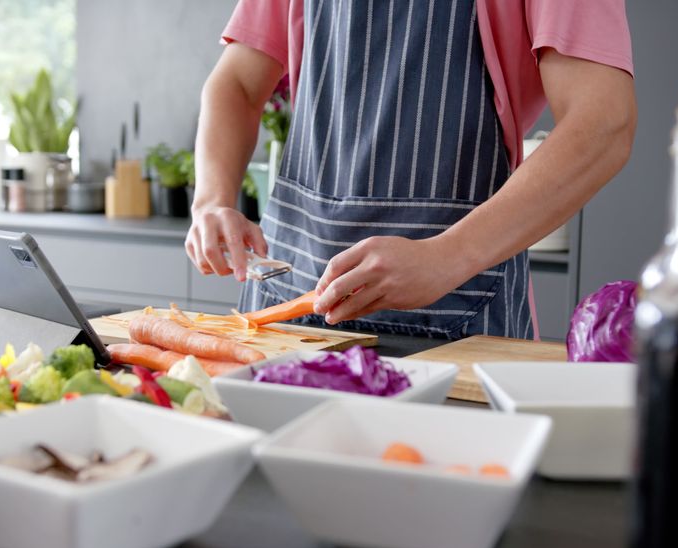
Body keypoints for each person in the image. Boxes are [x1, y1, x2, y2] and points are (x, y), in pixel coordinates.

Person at [186, 0, 636, 339]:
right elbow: (238, 83)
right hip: (284, 297)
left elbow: (604, 123)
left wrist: (446, 257)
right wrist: (211, 202)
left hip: (455, 311)